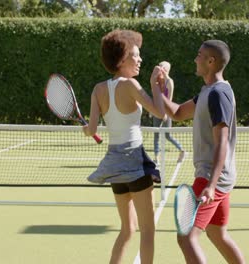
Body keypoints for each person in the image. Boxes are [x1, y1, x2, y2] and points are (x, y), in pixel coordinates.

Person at [82, 29, 166, 264]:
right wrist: (155, 85)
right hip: (135, 162)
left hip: (115, 165)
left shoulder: (98, 89)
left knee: (127, 229)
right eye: (135, 55)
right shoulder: (131, 85)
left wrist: (86, 130)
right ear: (121, 60)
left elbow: (92, 129)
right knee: (147, 230)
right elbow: (159, 112)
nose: (140, 60)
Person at [161, 40, 245, 264]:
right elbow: (178, 112)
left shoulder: (219, 94)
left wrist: (210, 184)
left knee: (186, 237)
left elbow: (222, 142)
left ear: (211, 61)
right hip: (218, 178)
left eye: (199, 55)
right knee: (217, 233)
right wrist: (157, 89)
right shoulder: (208, 92)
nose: (195, 59)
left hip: (211, 177)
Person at [151, 61, 186, 165]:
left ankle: (182, 150)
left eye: (162, 67)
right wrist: (152, 109)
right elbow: (155, 96)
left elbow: (169, 100)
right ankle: (156, 158)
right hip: (157, 110)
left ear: (167, 69)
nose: (160, 68)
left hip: (167, 112)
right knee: (156, 134)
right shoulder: (157, 81)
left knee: (167, 135)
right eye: (159, 66)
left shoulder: (169, 81)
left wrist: (166, 113)